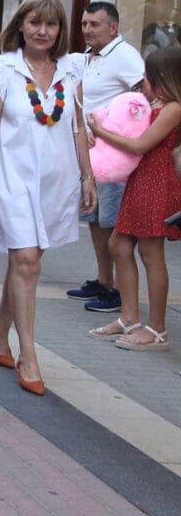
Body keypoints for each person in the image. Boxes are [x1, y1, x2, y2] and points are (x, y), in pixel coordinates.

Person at [0, 0, 93, 395]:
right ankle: (28, 354)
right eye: (35, 22)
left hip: (55, 181)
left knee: (27, 260)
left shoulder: (71, 71)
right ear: (20, 25)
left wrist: (88, 177)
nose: (42, 31)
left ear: (60, 30)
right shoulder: (2, 69)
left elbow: (78, 128)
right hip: (11, 177)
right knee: (25, 260)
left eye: (51, 24)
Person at [86, 47, 181, 350]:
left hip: (157, 181)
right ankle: (129, 317)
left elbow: (140, 145)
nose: (143, 81)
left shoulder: (174, 108)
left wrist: (101, 132)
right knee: (118, 243)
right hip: (142, 179)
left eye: (148, 75)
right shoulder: (158, 104)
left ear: (162, 76)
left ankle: (157, 328)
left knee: (151, 252)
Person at [67, 2, 146, 313]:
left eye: (94, 25)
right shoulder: (85, 57)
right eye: (84, 24)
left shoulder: (125, 56)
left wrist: (115, 129)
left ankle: (120, 294)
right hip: (90, 156)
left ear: (113, 28)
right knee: (95, 220)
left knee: (113, 226)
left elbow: (145, 97)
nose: (87, 30)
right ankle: (104, 281)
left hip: (113, 157)